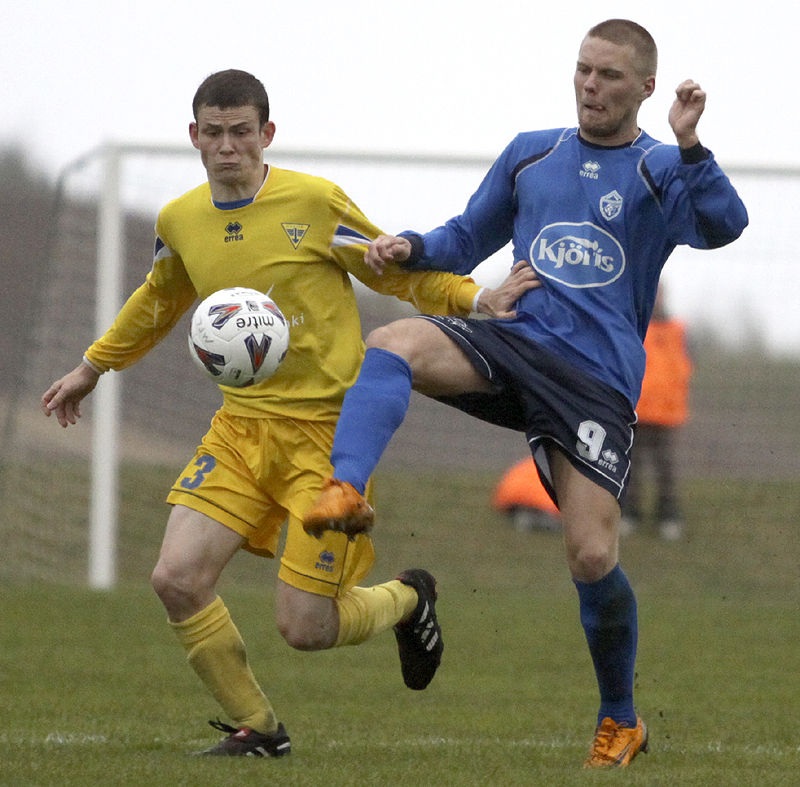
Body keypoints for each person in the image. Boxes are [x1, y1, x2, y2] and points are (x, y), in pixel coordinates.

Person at [40, 69, 537, 757]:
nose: (228, 146)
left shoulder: (314, 203)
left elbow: (395, 272)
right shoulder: (180, 219)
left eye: (241, 132)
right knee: (175, 579)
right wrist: (92, 367)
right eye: (214, 133)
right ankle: (260, 730)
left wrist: (476, 298)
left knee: (305, 627)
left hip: (327, 440)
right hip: (240, 432)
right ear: (194, 136)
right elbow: (157, 300)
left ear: (267, 133)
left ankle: (408, 599)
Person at [303, 20, 748, 769]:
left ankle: (620, 719)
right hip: (515, 340)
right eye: (583, 69)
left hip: (594, 383)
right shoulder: (531, 154)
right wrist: (412, 246)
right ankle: (345, 488)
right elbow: (464, 238)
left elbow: (726, 225)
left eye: (609, 75)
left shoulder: (661, 168)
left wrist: (692, 145)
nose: (590, 86)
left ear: (645, 87)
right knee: (392, 343)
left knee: (591, 554)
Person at [621, 285, 692, 541]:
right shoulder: (634, 326)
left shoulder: (679, 331)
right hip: (638, 411)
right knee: (633, 467)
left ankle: (668, 516)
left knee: (666, 469)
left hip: (668, 414)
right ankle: (631, 514)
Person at [493, 456, 561, 532]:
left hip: (512, 500)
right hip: (532, 503)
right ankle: (531, 520)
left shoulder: (530, 466)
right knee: (554, 524)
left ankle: (525, 517)